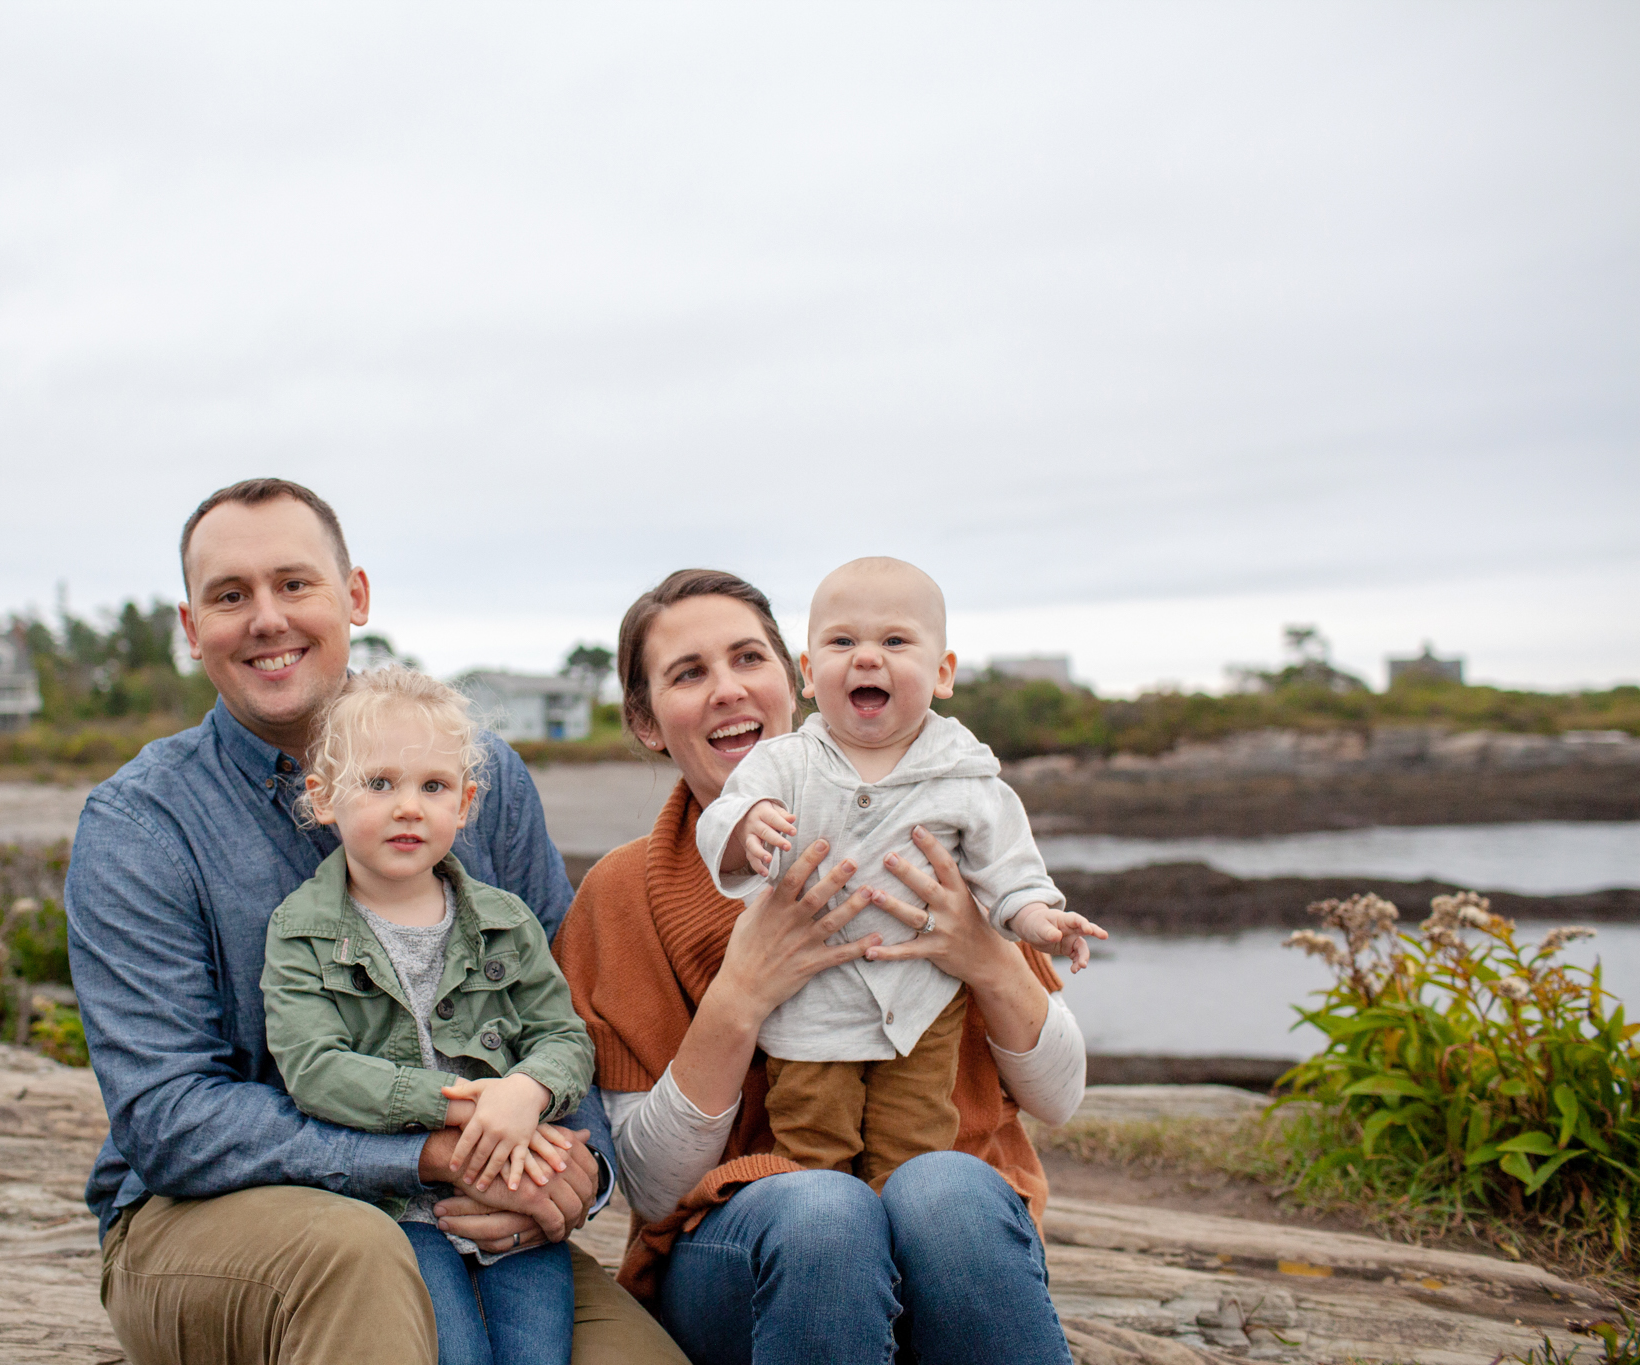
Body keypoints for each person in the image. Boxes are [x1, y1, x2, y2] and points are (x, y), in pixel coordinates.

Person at [65, 478, 685, 1365]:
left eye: (295, 583)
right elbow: (169, 1119)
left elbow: (564, 1003)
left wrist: (576, 1169)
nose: (267, 618)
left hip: (476, 1207)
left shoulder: (485, 775)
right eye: (230, 596)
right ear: (191, 626)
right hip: (207, 1219)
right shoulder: (142, 824)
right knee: (360, 1260)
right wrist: (428, 1155)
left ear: (354, 595)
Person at [552, 568, 1086, 1365]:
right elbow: (653, 1186)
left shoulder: (931, 821)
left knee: (944, 1190)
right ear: (647, 720)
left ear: (794, 680)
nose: (728, 689)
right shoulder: (624, 891)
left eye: (747, 659)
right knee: (823, 1211)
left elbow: (1059, 1097)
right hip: (746, 1252)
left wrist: (987, 956)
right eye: (689, 674)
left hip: (953, 1241)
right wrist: (741, 995)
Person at [696, 556, 1105, 1191]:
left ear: (943, 673)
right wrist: (746, 824)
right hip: (813, 1006)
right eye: (841, 641)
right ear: (808, 674)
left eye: (893, 641)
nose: (866, 657)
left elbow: (1008, 869)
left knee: (914, 1150)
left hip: (921, 1007)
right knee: (812, 1143)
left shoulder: (964, 773)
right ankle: (830, 1247)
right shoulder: (783, 763)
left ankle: (904, 1250)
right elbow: (719, 821)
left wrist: (1039, 918)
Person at [263, 666, 595, 1365]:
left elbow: (563, 1035)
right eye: (379, 783)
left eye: (433, 786)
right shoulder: (302, 929)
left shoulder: (506, 922)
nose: (409, 806)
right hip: (391, 1211)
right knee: (457, 1353)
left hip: (514, 1191)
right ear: (324, 799)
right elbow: (314, 1070)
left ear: (467, 803)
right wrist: (461, 1104)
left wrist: (525, 1092)